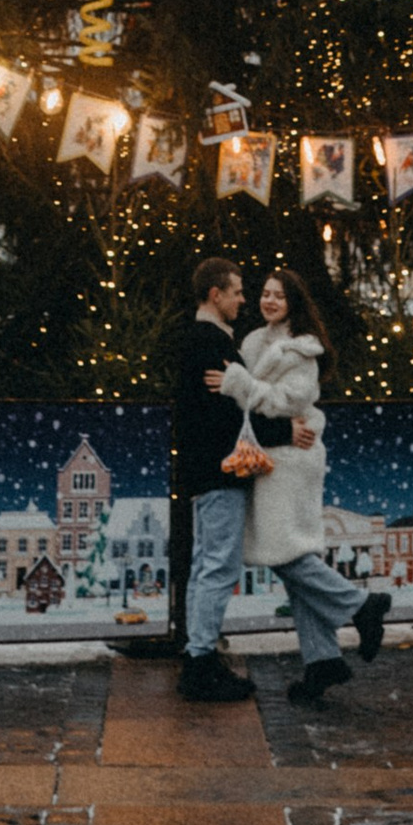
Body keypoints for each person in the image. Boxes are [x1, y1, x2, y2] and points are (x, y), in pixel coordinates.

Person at [218, 266, 389, 707]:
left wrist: (240, 385)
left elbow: (289, 401)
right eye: (265, 294)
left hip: (290, 461)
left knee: (284, 553)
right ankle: (321, 660)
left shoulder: (302, 350)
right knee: (291, 556)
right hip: (271, 454)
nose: (269, 301)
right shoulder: (254, 341)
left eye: (279, 296)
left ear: (294, 303)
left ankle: (359, 604)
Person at [172, 251, 271, 701]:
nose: (243, 300)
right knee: (218, 566)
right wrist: (285, 427)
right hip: (219, 470)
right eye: (236, 291)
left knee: (205, 565)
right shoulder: (211, 343)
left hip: (202, 470)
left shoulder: (196, 339)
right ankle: (200, 660)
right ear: (215, 294)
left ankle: (197, 654)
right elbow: (232, 412)